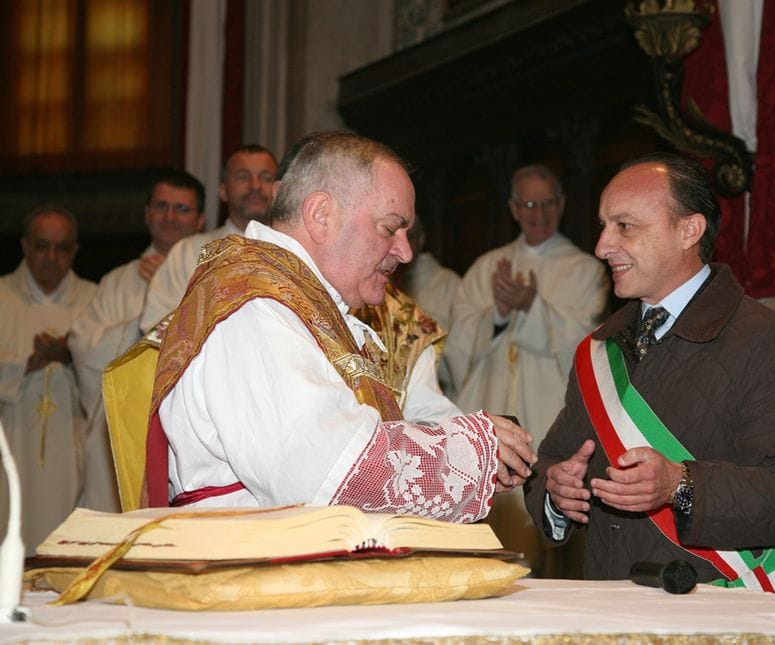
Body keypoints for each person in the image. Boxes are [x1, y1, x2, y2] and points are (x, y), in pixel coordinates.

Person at [143, 131, 536, 524]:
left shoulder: (305, 304)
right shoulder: (255, 306)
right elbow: (329, 473)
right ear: (321, 216)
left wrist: (474, 447)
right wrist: (474, 449)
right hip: (249, 566)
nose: (405, 251)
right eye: (389, 229)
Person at [524, 153, 775, 593]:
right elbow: (552, 461)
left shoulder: (769, 340)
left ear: (689, 230)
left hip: (716, 610)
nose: (602, 247)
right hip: (606, 603)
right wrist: (557, 493)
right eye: (603, 226)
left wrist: (681, 486)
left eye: (625, 226)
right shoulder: (598, 349)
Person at [446, 163, 609, 570]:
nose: (538, 212)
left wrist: (532, 308)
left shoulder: (585, 269)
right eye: (529, 203)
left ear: (563, 205)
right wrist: (497, 314)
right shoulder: (487, 268)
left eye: (547, 202)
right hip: (491, 405)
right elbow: (454, 350)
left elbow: (587, 344)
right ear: (513, 209)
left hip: (548, 413)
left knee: (543, 549)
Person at [68, 170, 206, 511]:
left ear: (201, 221)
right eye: (161, 206)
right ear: (146, 213)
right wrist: (138, 326)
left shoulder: (210, 274)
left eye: (182, 209)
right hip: (123, 419)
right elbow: (82, 347)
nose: (170, 216)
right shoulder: (117, 280)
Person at [0, 206, 97, 554]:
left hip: (71, 454)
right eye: (42, 246)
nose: (51, 257)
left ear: (74, 251)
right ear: (25, 246)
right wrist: (26, 365)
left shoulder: (94, 300)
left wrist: (72, 354)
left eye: (62, 248)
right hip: (9, 451)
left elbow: (111, 372)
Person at [139, 144, 277, 332]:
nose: (255, 186)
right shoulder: (187, 252)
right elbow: (155, 325)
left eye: (266, 178)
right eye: (243, 177)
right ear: (222, 191)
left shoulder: (296, 251)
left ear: (279, 190)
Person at [390, 215, 461, 396]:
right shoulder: (378, 281)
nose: (403, 244)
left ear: (421, 240)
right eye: (392, 233)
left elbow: (459, 353)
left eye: (410, 236)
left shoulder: (448, 284)